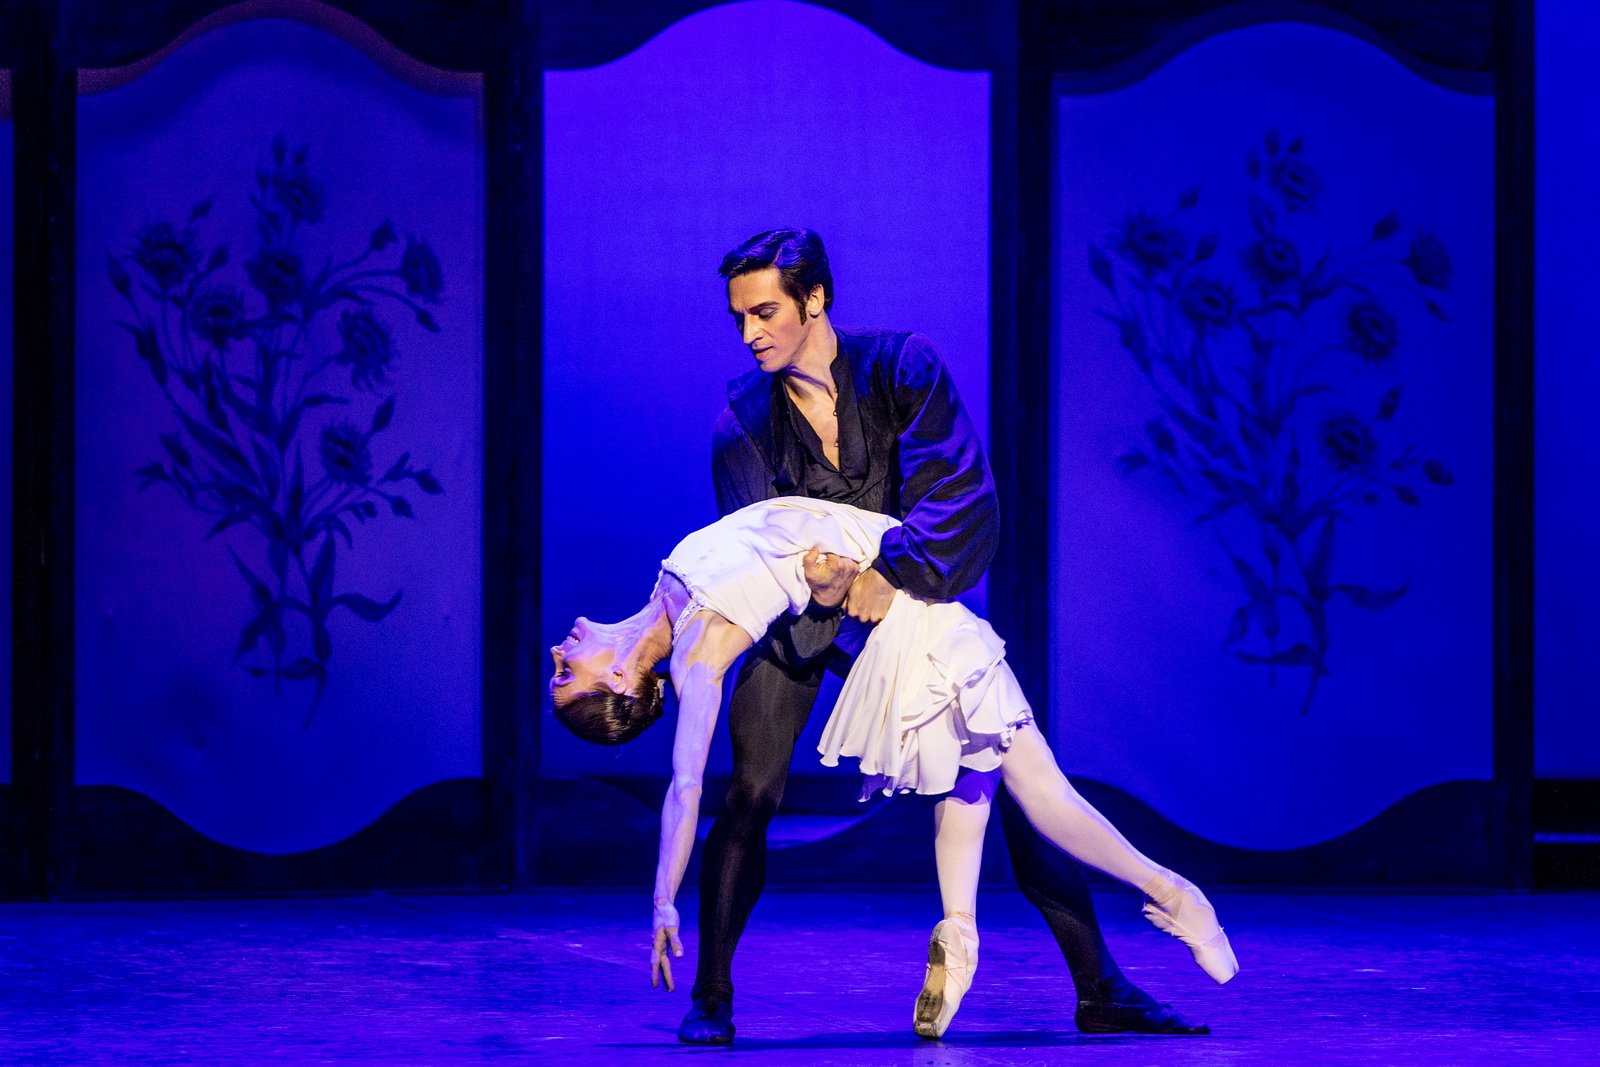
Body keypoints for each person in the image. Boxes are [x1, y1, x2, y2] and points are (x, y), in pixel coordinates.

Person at [676, 228, 1209, 1043]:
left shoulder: (901, 369)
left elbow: (961, 493)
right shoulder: (742, 424)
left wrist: (886, 572)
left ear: (815, 298)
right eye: (739, 317)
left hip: (906, 602)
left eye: (765, 311)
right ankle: (711, 993)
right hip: (799, 620)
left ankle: (1100, 985)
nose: (750, 332)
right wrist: (818, 586)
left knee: (1015, 775)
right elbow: (751, 549)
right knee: (751, 789)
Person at [549, 495, 1238, 1041]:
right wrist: (663, 899)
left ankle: (961, 934)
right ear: (619, 680)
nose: (558, 652)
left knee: (976, 779)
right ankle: (1175, 894)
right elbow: (686, 784)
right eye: (564, 675)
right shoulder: (699, 650)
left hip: (899, 614)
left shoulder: (668, 595)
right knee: (1038, 787)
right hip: (916, 625)